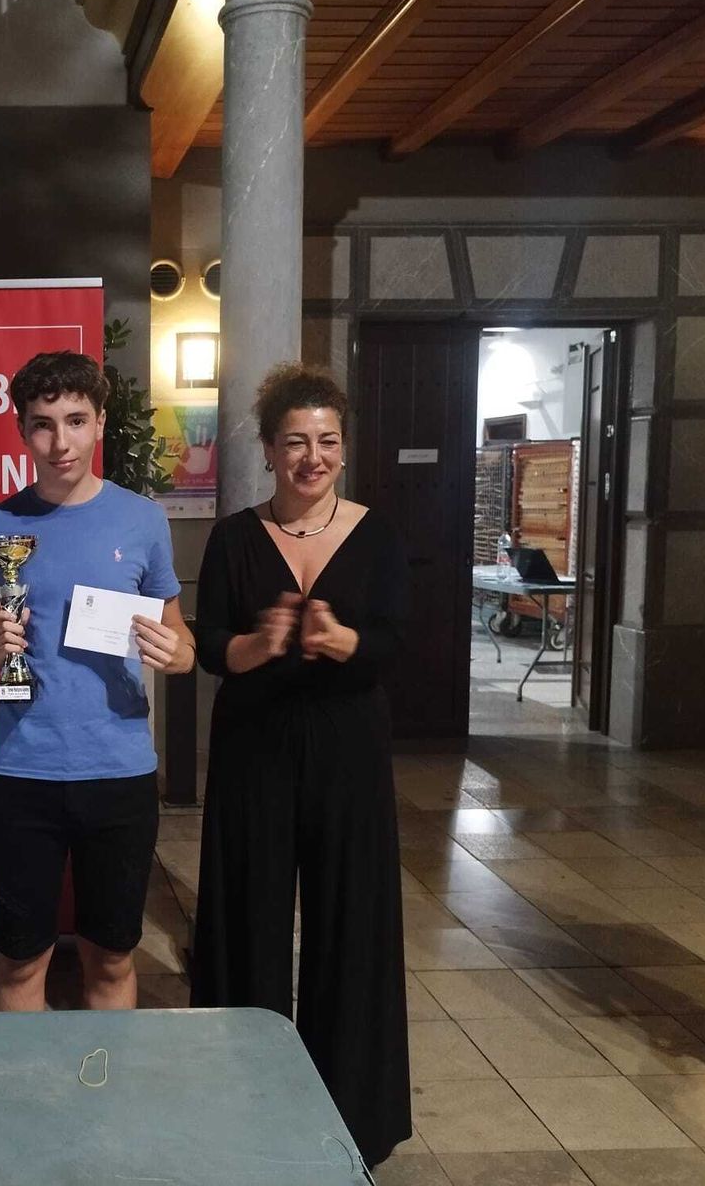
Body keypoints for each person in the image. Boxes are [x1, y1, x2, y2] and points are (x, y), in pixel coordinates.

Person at [188, 363, 412, 1166]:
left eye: (326, 441)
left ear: (344, 449)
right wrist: (257, 645)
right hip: (256, 748)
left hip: (350, 748)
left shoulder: (376, 534)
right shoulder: (234, 536)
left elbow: (391, 642)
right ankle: (239, 1095)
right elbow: (210, 643)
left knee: (351, 921)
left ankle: (351, 1110)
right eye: (295, 442)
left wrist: (344, 642)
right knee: (245, 917)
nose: (311, 457)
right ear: (270, 450)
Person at [0, 351, 195, 1011]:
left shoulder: (142, 521)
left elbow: (182, 640)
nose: (60, 442)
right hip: (21, 773)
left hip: (117, 772)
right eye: (42, 425)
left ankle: (106, 1106)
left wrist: (175, 654)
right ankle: (28, 1109)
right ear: (21, 430)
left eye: (75, 421)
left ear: (99, 422)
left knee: (112, 960)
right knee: (20, 962)